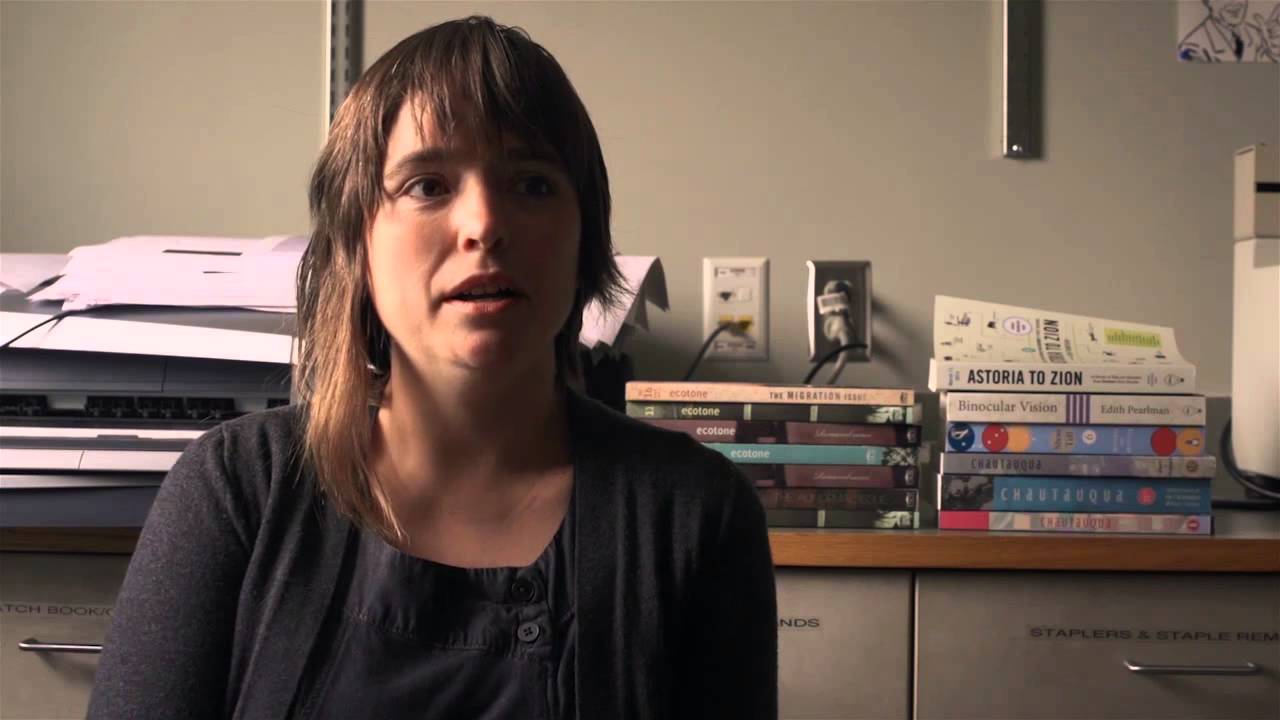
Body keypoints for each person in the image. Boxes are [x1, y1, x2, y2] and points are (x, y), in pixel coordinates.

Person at [87, 15, 777, 720]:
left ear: (585, 239)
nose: (484, 224)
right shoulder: (238, 489)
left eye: (532, 183)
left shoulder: (696, 515)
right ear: (356, 241)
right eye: (427, 185)